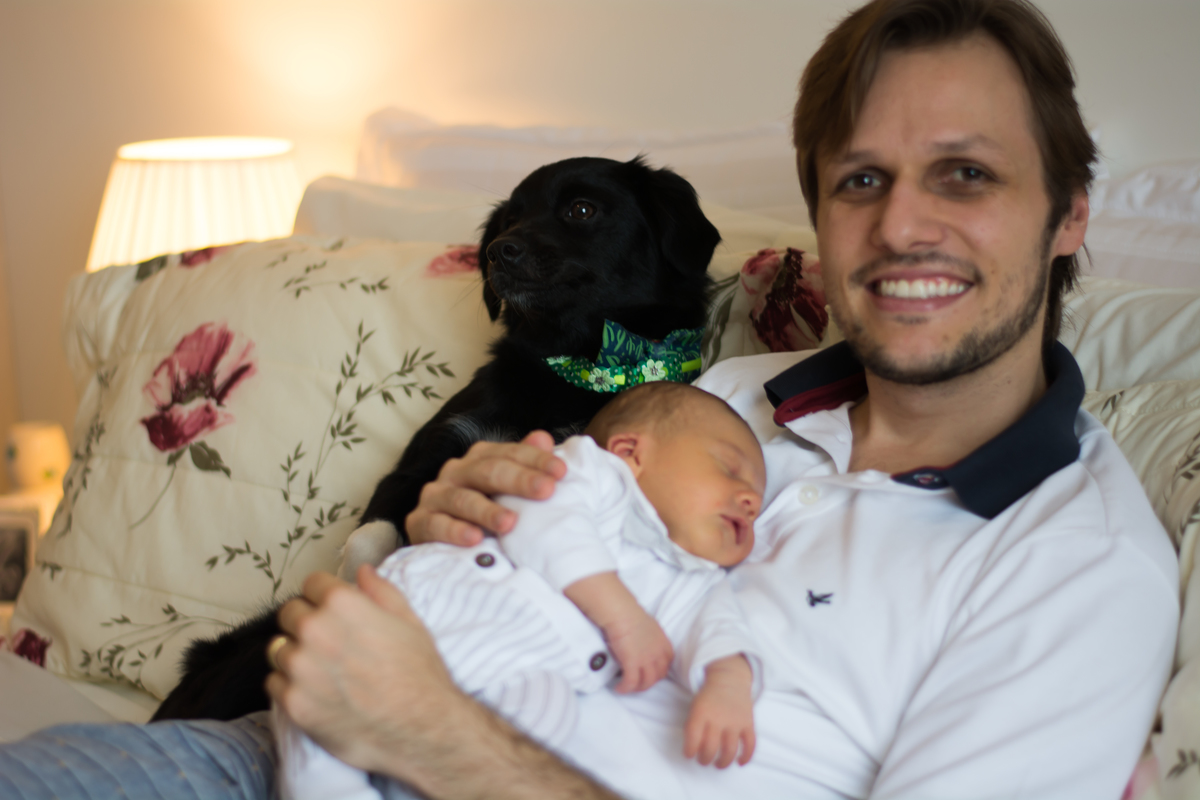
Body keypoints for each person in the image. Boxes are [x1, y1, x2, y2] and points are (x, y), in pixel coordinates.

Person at [264, 0, 1179, 798]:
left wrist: (437, 736)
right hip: (300, 733)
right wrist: (467, 522)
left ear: (1069, 212)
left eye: (966, 173)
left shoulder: (1077, 567)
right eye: (861, 180)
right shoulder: (723, 393)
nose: (900, 226)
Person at [273, 383, 767, 800]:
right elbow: (542, 522)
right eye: (729, 469)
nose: (749, 500)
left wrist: (727, 686)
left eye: (758, 505)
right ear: (629, 453)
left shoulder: (694, 577)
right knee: (322, 711)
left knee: (546, 724)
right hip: (440, 607)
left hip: (515, 676)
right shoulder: (590, 474)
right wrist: (623, 616)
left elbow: (718, 626)